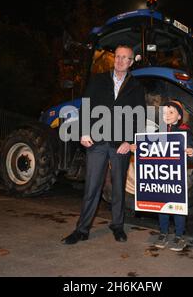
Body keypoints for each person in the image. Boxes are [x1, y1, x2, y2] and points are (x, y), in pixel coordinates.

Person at [62, 45, 147, 245]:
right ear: (114, 58)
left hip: (121, 145)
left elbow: (139, 117)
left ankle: (117, 226)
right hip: (97, 141)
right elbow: (86, 106)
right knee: (92, 187)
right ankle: (82, 230)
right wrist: (83, 131)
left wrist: (130, 141)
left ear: (131, 62)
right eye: (117, 56)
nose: (120, 60)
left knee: (118, 187)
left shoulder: (137, 87)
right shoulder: (98, 80)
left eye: (125, 57)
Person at [131, 99, 193, 251]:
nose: (167, 115)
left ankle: (179, 235)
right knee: (162, 206)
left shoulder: (185, 132)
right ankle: (163, 233)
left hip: (176, 177)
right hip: (161, 177)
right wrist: (137, 148)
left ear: (179, 116)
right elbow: (147, 150)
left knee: (178, 206)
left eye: (171, 112)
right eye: (165, 112)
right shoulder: (156, 132)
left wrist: (192, 152)